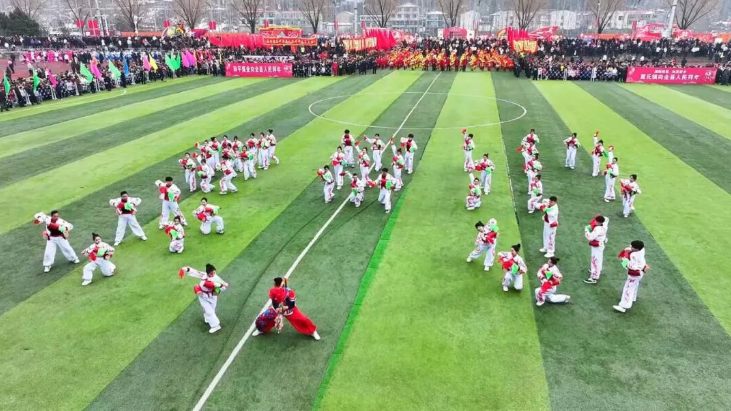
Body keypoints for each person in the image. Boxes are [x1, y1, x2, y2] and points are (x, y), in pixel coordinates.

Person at [252, 277, 320, 340]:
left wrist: (285, 308)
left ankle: (312, 331)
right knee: (264, 317)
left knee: (303, 319)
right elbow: (274, 302)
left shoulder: (290, 292)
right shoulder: (273, 291)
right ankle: (261, 330)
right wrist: (277, 308)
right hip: (278, 309)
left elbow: (292, 304)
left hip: (289, 310)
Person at [180, 264, 229, 333]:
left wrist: (219, 287)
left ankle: (209, 319)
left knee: (212, 310)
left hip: (212, 296)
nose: (213, 274)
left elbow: (223, 286)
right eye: (211, 273)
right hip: (203, 296)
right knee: (208, 311)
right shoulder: (204, 275)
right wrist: (186, 269)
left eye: (214, 272)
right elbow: (196, 272)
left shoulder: (216, 278)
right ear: (208, 273)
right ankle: (216, 326)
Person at [613, 240, 649, 313]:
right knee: (634, 285)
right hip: (641, 271)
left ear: (637, 248)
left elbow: (631, 266)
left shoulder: (634, 256)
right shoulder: (642, 250)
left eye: (632, 247)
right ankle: (633, 298)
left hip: (635, 273)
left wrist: (624, 259)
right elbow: (631, 249)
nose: (631, 247)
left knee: (628, 288)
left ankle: (623, 306)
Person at [584, 215, 608, 284]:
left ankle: (594, 277)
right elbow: (606, 219)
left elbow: (590, 237)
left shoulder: (597, 229)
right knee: (598, 259)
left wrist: (586, 230)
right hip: (601, 244)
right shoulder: (605, 225)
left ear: (598, 221)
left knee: (595, 260)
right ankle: (597, 271)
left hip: (597, 246)